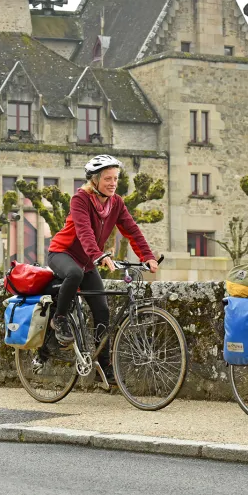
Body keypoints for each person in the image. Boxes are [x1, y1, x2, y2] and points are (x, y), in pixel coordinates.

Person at [47, 155, 159, 386]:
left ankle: (105, 366)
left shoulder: (115, 202)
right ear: (95, 180)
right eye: (107, 178)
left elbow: (132, 229)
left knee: (103, 312)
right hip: (63, 253)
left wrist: (147, 256)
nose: (113, 183)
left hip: (87, 260)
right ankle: (59, 319)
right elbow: (84, 230)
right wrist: (99, 254)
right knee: (74, 274)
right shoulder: (80, 199)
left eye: (115, 178)